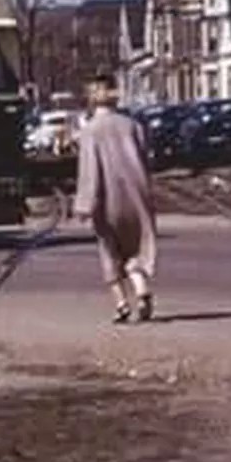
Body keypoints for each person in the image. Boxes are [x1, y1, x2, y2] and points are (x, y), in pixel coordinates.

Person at [71, 73, 159, 324]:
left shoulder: (91, 131)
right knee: (135, 249)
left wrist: (84, 205)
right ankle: (141, 288)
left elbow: (90, 172)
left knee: (110, 250)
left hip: (108, 201)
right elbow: (146, 161)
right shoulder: (133, 126)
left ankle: (121, 303)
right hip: (137, 196)